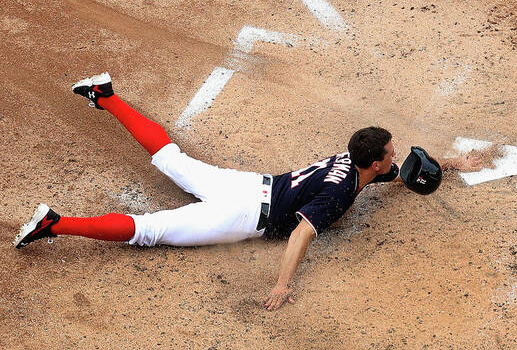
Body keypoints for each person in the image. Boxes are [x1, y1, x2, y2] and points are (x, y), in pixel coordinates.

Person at [14, 73, 484, 311]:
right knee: (151, 231)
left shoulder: (355, 164)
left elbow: (402, 173)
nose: (393, 156)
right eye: (390, 152)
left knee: (170, 158)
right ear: (375, 161)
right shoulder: (341, 192)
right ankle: (56, 223)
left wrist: (454, 164)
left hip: (247, 184)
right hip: (240, 217)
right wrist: (282, 283)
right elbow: (301, 233)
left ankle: (104, 93)